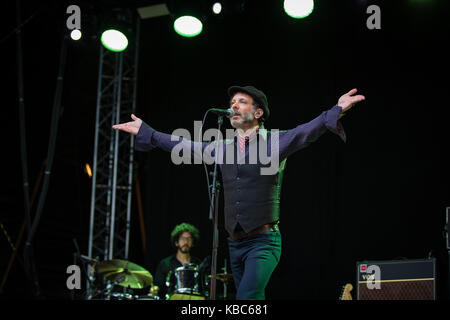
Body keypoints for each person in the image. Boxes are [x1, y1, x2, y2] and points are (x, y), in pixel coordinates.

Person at [113, 86, 365, 299]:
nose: (233, 105)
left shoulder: (274, 142)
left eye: (241, 102)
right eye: (232, 102)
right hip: (234, 243)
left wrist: (336, 110)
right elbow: (184, 145)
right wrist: (149, 133)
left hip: (263, 242)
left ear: (258, 112)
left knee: (245, 299)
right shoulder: (223, 147)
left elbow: (304, 132)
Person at [152, 222, 202, 299]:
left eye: (189, 239)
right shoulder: (165, 264)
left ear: (193, 243)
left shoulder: (198, 264)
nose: (186, 242)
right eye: (182, 238)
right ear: (176, 242)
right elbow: (158, 285)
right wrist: (155, 289)